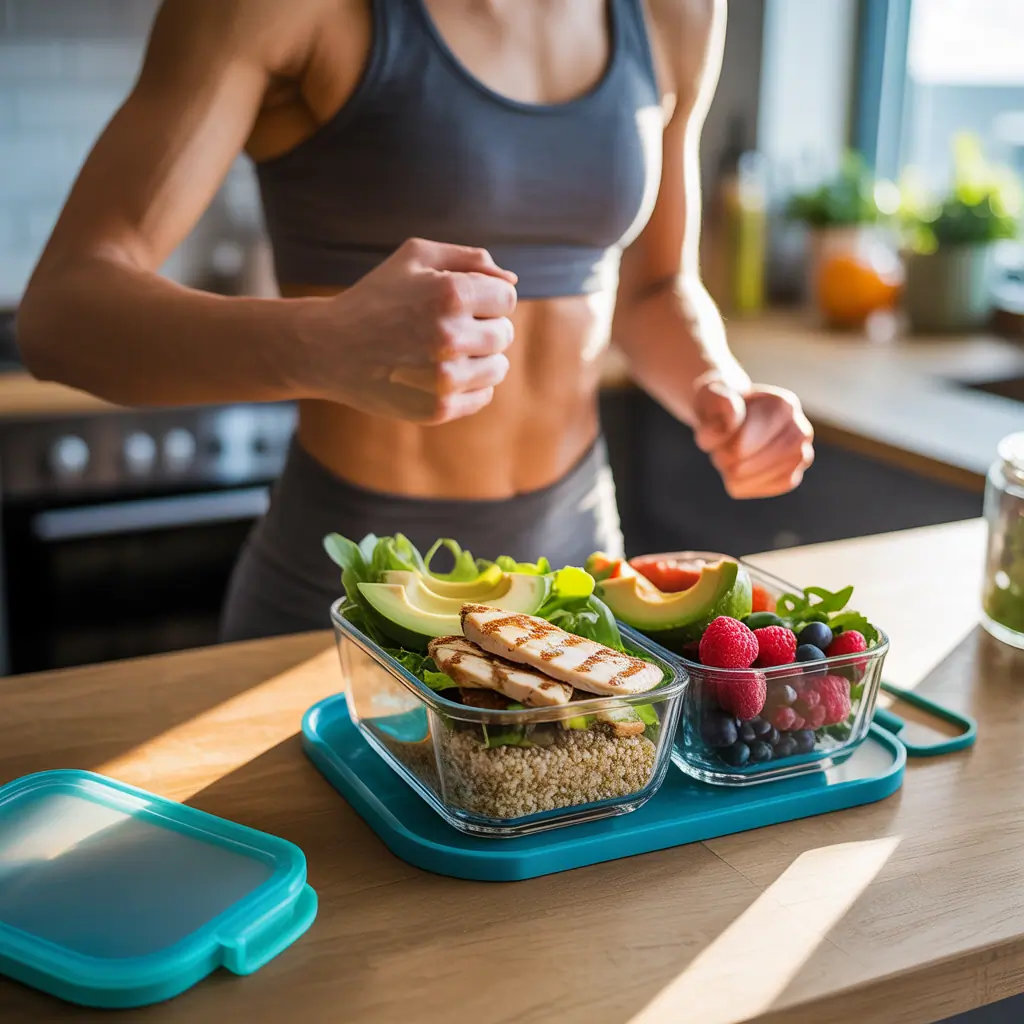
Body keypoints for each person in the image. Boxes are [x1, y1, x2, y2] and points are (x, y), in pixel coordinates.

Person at [17, 0, 814, 642]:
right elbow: (63, 311)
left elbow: (654, 285)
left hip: (578, 593)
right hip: (344, 604)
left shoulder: (678, 12)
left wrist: (719, 387)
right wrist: (322, 346)